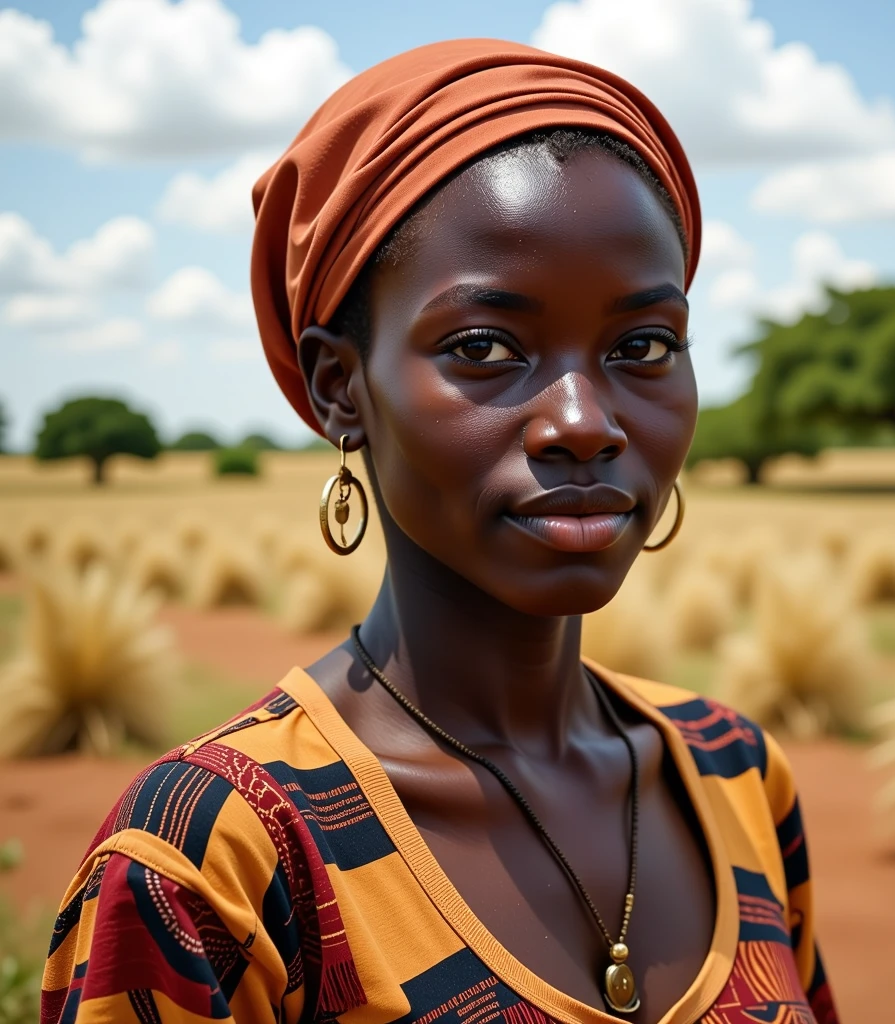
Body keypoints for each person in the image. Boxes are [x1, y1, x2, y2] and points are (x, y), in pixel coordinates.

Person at [41, 39, 838, 1024]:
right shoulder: (217, 859)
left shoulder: (735, 774)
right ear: (342, 385)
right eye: (485, 346)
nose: (584, 420)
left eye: (643, 345)